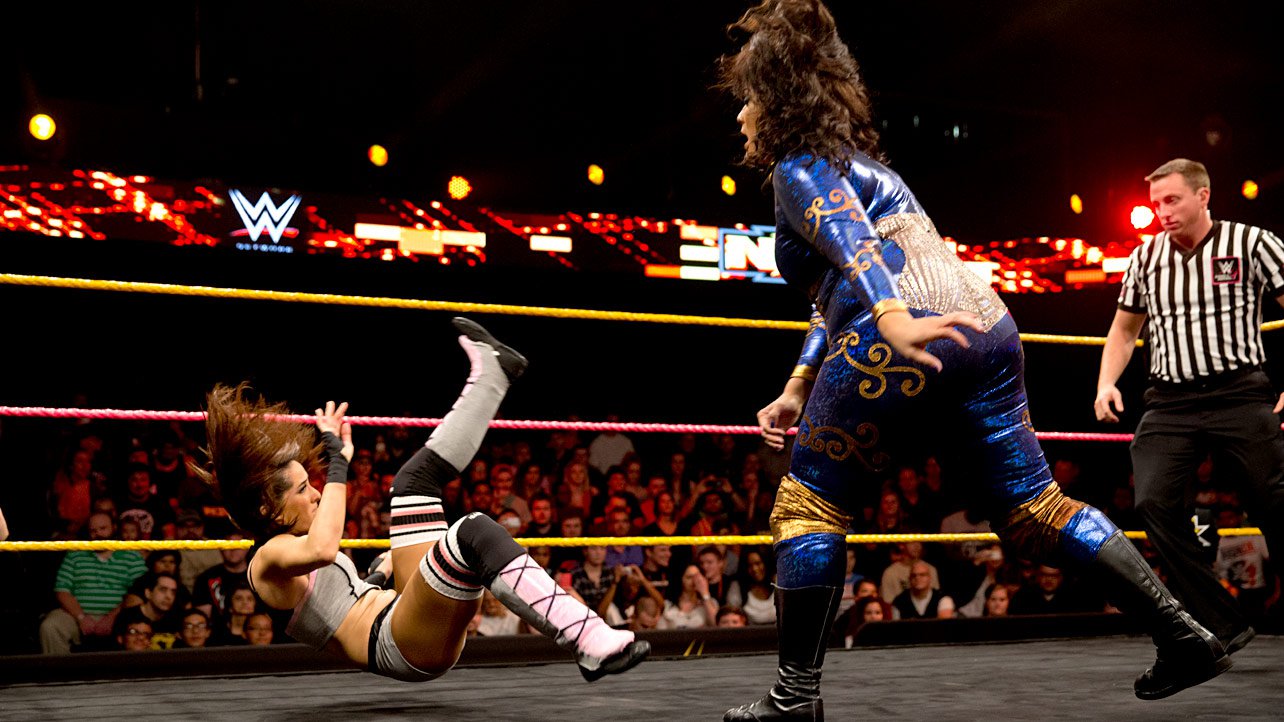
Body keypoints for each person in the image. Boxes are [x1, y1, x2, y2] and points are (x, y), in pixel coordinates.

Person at [719, 3, 1228, 717]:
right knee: (1034, 510)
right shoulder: (869, 169)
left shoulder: (799, 166)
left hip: (902, 331)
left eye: (747, 99)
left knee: (809, 504)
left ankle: (794, 698)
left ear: (774, 103)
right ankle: (1182, 634)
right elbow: (834, 289)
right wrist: (801, 382)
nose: (741, 114)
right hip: (984, 329)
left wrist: (892, 318)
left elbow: (854, 248)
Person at [192, 318, 646, 685]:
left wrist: (380, 571)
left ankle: (492, 375)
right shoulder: (267, 559)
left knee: (413, 483)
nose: (315, 493)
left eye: (313, 484)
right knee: (472, 531)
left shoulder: (290, 551)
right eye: (302, 489)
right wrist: (338, 461)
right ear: (269, 510)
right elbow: (325, 549)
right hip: (400, 643)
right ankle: (587, 639)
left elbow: (340, 598)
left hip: (399, 614)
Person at [1094, 157, 1284, 656]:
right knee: (1151, 502)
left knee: (1274, 502)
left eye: (1172, 200)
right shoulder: (1145, 257)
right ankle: (1221, 620)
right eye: (1157, 203)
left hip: (1240, 392)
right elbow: (1124, 330)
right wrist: (1106, 383)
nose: (1163, 211)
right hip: (1170, 400)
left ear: (1203, 196)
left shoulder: (1252, 243)